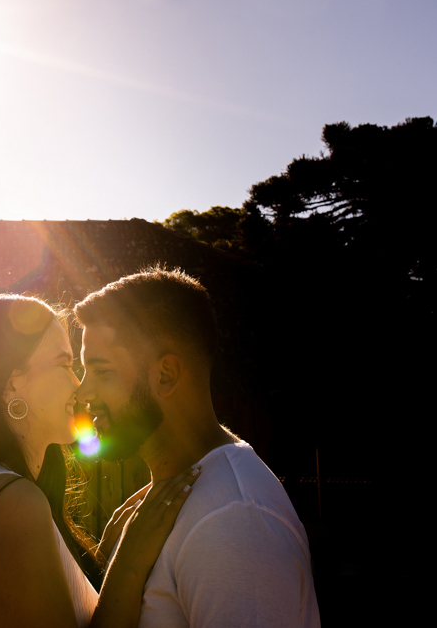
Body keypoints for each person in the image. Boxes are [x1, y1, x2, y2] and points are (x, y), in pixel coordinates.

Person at [0, 293, 200, 627]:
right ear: (12, 384)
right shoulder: (8, 505)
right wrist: (130, 564)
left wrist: (107, 558)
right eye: (64, 364)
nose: (79, 387)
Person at [74, 267, 321, 627]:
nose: (83, 393)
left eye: (101, 371)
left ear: (166, 375)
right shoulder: (175, 503)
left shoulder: (234, 521)